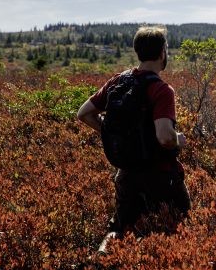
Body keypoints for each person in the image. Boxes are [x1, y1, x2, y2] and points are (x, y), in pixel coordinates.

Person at [77, 26, 190, 253]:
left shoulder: (117, 81)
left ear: (138, 52)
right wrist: (179, 139)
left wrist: (112, 133)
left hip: (126, 172)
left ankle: (99, 265)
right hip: (160, 174)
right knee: (180, 223)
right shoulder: (162, 90)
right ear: (162, 53)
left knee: (119, 228)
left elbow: (84, 113)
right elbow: (165, 137)